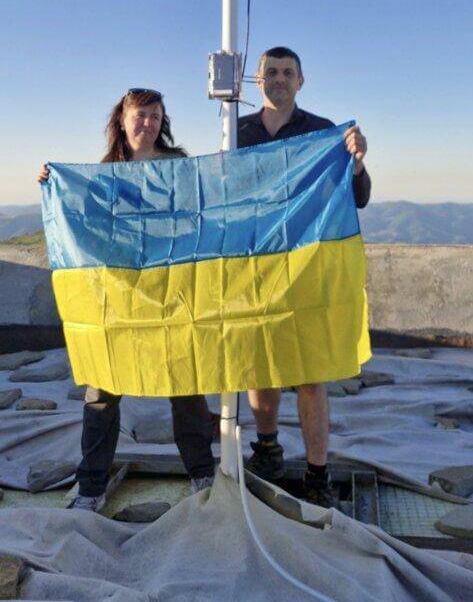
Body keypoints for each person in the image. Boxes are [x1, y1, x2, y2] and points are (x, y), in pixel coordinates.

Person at [38, 88, 215, 511]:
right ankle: (92, 487)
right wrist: (51, 184)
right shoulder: (104, 172)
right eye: (140, 115)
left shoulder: (178, 165)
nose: (148, 123)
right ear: (122, 119)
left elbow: (200, 213)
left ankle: (202, 473)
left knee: (186, 385)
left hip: (172, 292)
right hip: (119, 297)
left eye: (155, 116)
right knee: (102, 389)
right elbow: (84, 225)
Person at [238, 47, 370, 507]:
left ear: (300, 81)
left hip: (307, 268)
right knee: (261, 365)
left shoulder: (321, 132)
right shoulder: (235, 132)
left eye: (287, 72)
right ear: (258, 81)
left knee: (311, 374)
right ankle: (268, 449)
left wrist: (355, 160)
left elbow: (359, 196)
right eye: (270, 72)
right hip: (253, 266)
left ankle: (318, 474)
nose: (279, 78)